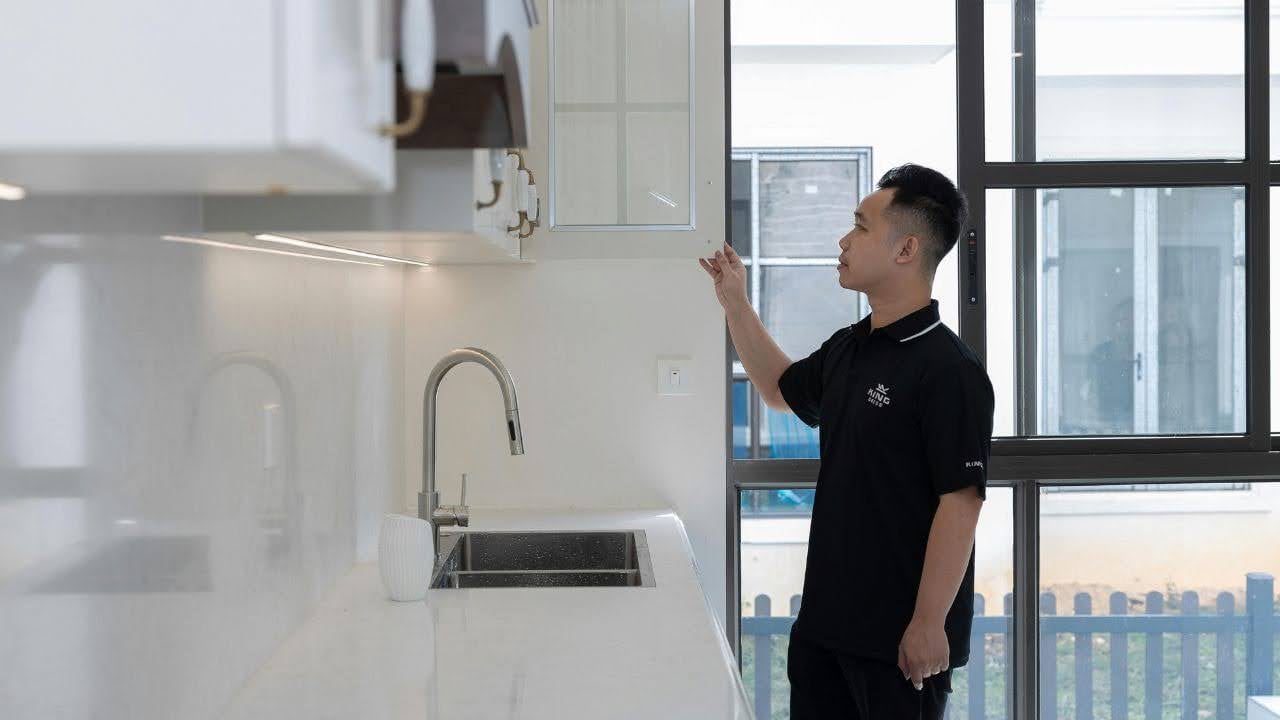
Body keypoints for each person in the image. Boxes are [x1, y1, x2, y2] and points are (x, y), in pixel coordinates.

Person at [700, 163, 993, 719]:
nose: (844, 239)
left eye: (860, 227)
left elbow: (961, 503)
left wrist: (929, 623)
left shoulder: (949, 369)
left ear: (906, 249)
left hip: (898, 646)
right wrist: (735, 305)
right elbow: (781, 390)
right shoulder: (850, 347)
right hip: (825, 630)